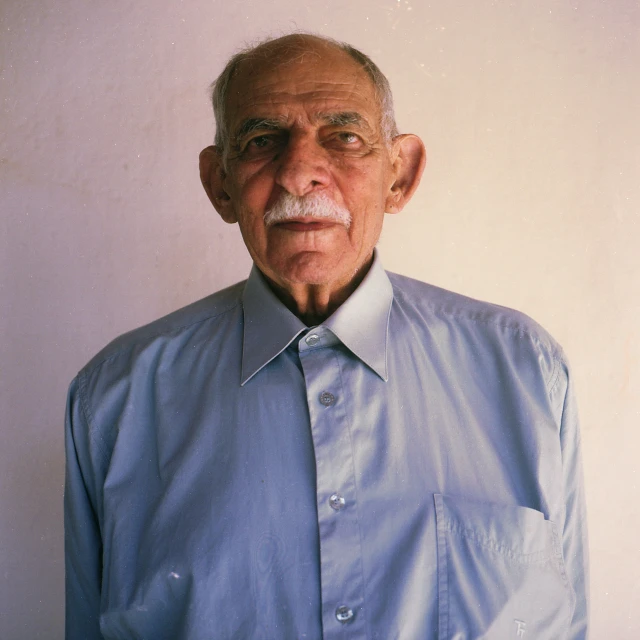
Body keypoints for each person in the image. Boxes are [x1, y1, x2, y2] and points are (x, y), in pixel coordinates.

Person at [64, 33, 589, 639]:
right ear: (220, 183)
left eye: (344, 137)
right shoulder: (115, 397)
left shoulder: (524, 368)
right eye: (262, 141)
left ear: (400, 175)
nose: (300, 172)